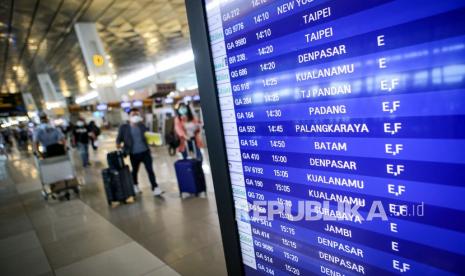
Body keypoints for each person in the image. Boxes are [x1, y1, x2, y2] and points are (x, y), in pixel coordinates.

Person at [116, 108, 163, 196]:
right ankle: (135, 185)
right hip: (133, 154)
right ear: (129, 116)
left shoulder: (142, 126)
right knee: (135, 171)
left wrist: (154, 140)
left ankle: (155, 187)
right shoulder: (124, 127)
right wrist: (119, 145)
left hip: (145, 152)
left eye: (137, 115)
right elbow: (119, 139)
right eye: (133, 115)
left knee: (150, 170)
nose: (135, 116)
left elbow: (148, 136)